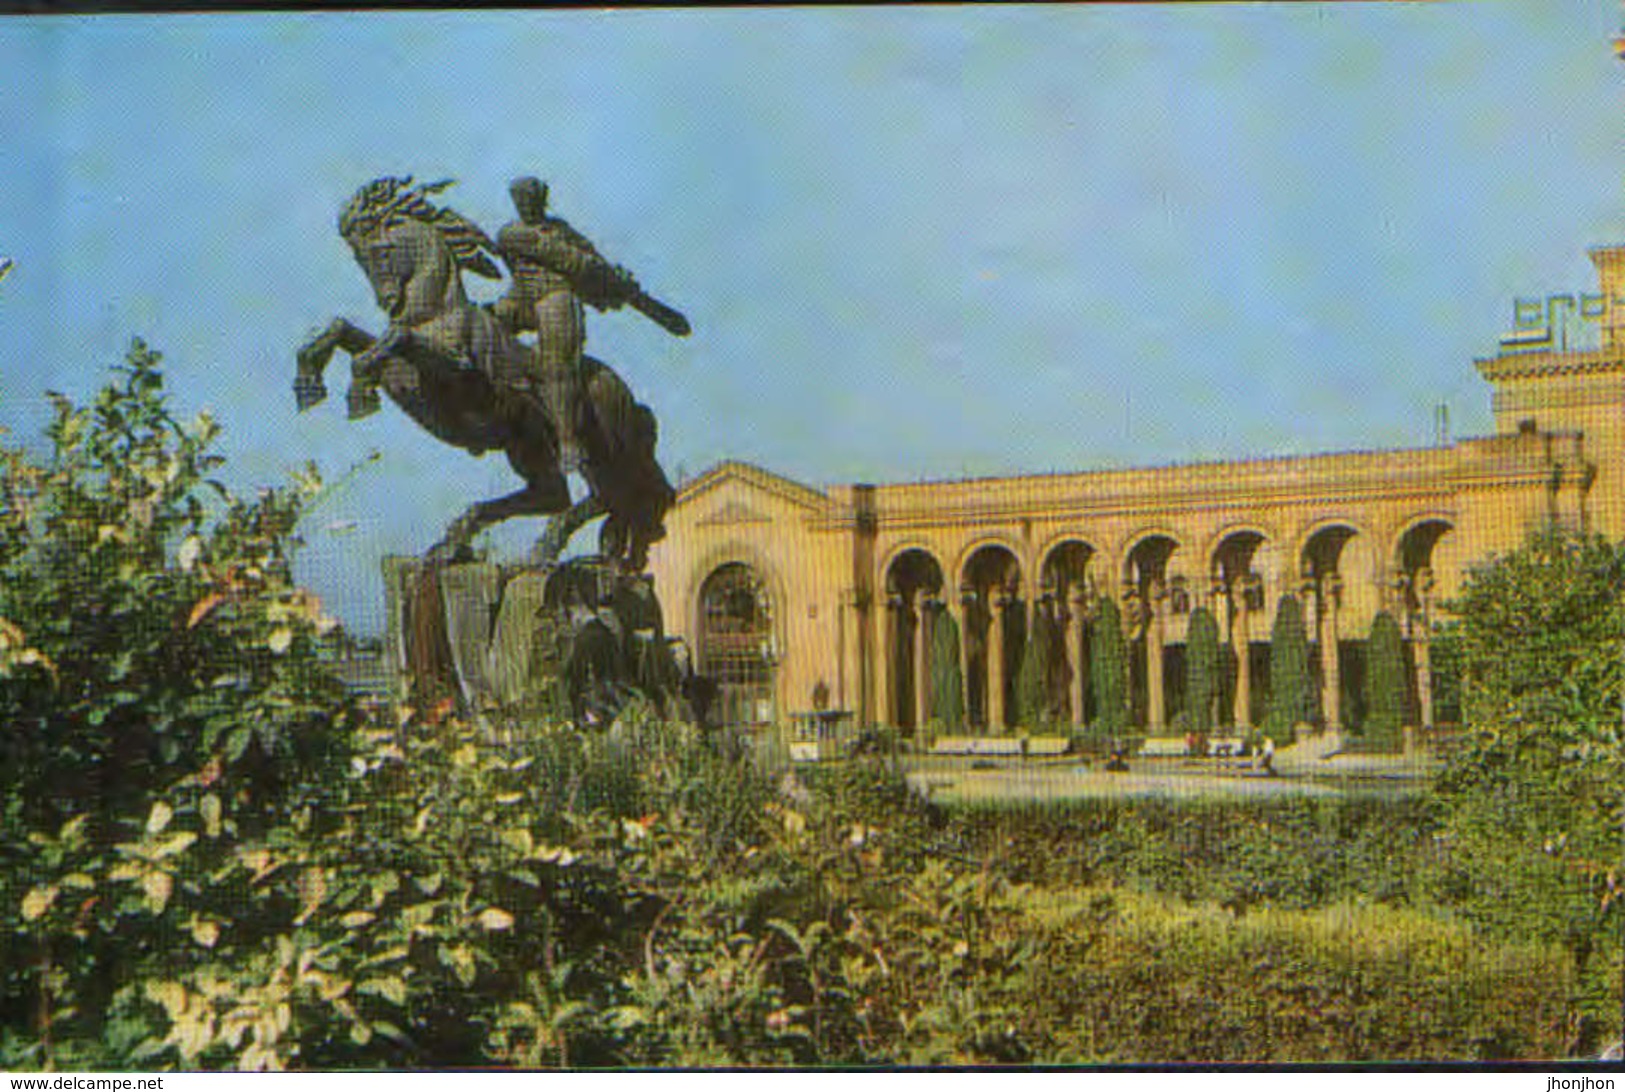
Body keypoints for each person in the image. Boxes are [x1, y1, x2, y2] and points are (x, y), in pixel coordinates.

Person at [490, 178, 642, 466]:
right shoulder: (510, 234)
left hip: (555, 296)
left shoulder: (560, 230)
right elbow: (576, 261)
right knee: (480, 324)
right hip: (521, 297)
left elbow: (583, 258)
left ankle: (568, 439)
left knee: (557, 361)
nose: (525, 203)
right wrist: (601, 272)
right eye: (520, 198)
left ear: (541, 200)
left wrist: (614, 277)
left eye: (530, 198)